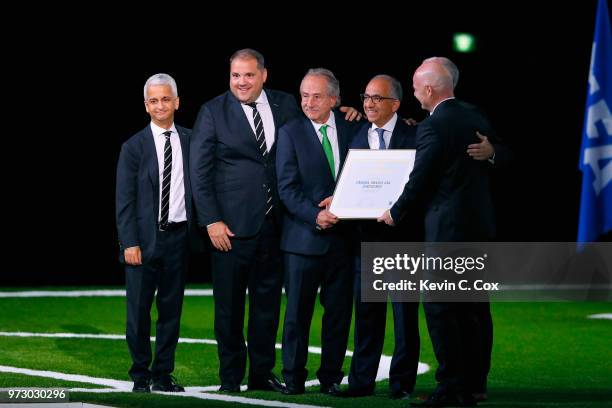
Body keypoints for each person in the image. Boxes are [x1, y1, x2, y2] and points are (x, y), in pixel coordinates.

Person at [189, 49, 361, 393]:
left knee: (267, 307)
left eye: (249, 75)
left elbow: (318, 116)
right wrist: (211, 221)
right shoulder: (212, 111)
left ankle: (261, 374)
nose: (241, 82)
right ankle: (230, 377)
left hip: (276, 227)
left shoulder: (286, 104)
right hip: (230, 229)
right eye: (236, 75)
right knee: (230, 309)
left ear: (263, 75)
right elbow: (199, 172)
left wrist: (347, 111)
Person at [378, 57, 506, 407]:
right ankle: (475, 384)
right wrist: (494, 153)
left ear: (430, 89)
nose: (415, 93)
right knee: (475, 310)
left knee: (440, 309)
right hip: (479, 230)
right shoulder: (474, 114)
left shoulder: (432, 126)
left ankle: (451, 387)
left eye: (417, 87)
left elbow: (421, 178)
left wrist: (395, 210)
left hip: (447, 233)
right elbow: (506, 152)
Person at [276, 68, 357, 396]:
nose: (308, 102)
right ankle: (293, 378)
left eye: (316, 96)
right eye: (304, 95)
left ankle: (331, 378)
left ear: (335, 100)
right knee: (297, 314)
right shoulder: (290, 132)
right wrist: (316, 215)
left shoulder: (353, 127)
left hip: (344, 240)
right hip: (302, 239)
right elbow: (286, 187)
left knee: (338, 315)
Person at [342, 75, 421, 400]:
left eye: (377, 97)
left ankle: (401, 384)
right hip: (366, 241)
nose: (369, 103)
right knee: (367, 316)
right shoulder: (354, 133)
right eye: (366, 96)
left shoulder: (414, 134)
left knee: (405, 318)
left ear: (396, 104)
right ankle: (361, 382)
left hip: (404, 240)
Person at [116, 73, 194, 393]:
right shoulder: (133, 147)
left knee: (171, 311)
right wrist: (129, 242)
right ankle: (140, 375)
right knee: (138, 312)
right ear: (146, 106)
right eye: (153, 100)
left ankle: (163, 374)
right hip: (144, 242)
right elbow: (125, 200)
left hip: (179, 239)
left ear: (177, 102)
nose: (160, 105)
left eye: (165, 99)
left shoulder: (193, 139)